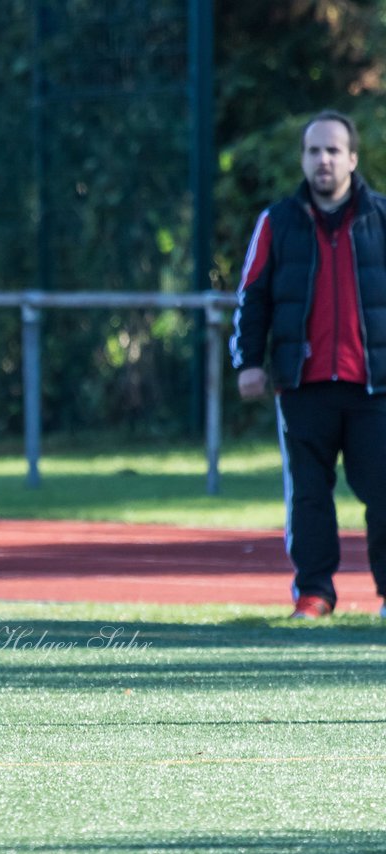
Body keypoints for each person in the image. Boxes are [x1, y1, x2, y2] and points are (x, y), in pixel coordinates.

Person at [231, 109, 386, 618]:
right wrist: (248, 362)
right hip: (302, 386)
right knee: (309, 499)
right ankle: (314, 593)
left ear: (353, 158)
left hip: (374, 389)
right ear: (302, 159)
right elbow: (252, 297)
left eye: (333, 150)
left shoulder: (381, 219)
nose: (324, 160)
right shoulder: (276, 222)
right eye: (314, 150)